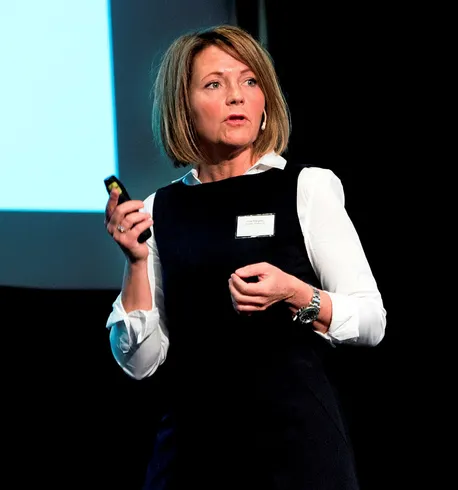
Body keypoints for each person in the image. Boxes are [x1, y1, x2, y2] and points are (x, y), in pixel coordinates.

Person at [103, 24, 386, 490]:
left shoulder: (307, 187)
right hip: (193, 459)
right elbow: (140, 363)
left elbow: (372, 320)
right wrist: (135, 262)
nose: (237, 96)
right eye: (215, 84)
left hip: (298, 453)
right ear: (183, 106)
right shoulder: (160, 210)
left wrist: (295, 294)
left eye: (249, 81)